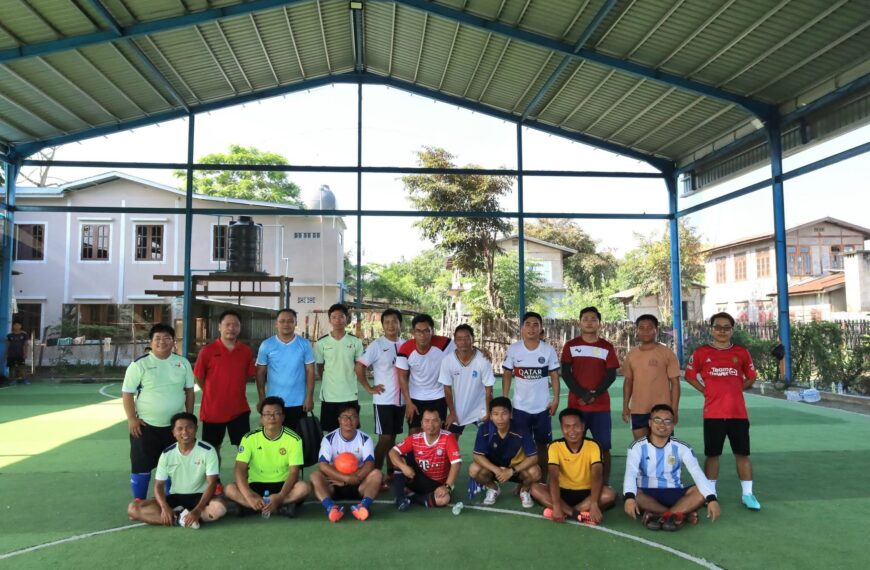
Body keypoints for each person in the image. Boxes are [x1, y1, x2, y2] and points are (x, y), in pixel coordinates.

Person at [685, 312, 761, 511]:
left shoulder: (741, 352)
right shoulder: (701, 353)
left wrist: (737, 389)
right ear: (711, 329)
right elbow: (689, 375)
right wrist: (705, 391)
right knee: (712, 454)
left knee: (742, 454)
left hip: (738, 414)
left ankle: (748, 494)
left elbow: (752, 376)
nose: (722, 331)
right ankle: (710, 493)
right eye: (718, 327)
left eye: (726, 328)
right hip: (713, 414)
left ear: (732, 330)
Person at [122, 323, 195, 500]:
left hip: (174, 428)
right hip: (146, 426)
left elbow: (189, 391)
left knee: (173, 464)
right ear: (151, 341)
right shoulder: (139, 364)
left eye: (167, 338)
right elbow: (127, 392)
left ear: (173, 341)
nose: (162, 342)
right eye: (158, 338)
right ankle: (139, 500)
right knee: (141, 465)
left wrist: (188, 418)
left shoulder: (182, 363)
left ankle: (172, 500)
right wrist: (132, 419)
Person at [623, 404, 720, 531]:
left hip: (674, 493)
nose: (662, 425)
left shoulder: (683, 447)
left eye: (667, 421)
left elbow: (697, 473)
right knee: (633, 494)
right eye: (657, 420)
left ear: (673, 425)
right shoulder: (636, 447)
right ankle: (679, 515)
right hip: (647, 492)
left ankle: (659, 515)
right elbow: (630, 473)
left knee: (700, 491)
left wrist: (711, 498)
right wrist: (629, 498)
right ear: (650, 423)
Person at [127, 412, 227, 528]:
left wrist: (198, 509)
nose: (184, 432)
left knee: (219, 508)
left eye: (189, 427)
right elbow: (158, 485)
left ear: (196, 429)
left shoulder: (208, 451)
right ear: (173, 432)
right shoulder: (166, 454)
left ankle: (182, 517)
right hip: (176, 498)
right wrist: (165, 507)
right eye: (179, 428)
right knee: (133, 509)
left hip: (201, 497)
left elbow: (212, 484)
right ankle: (181, 519)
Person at [560, 306, 620, 485]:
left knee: (604, 447)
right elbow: (566, 372)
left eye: (593, 319)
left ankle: (604, 483)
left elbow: (611, 375)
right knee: (573, 445)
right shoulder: (571, 345)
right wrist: (582, 394)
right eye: (585, 318)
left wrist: (595, 394)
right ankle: (573, 481)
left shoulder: (606, 346)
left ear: (599, 324)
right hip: (576, 405)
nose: (589, 322)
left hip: (600, 406)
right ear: (580, 322)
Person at [224, 396, 311, 517]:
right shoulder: (249, 438)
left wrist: (280, 496)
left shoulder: (294, 439)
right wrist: (249, 496)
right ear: (261, 418)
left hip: (283, 485)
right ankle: (275, 507)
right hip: (255, 486)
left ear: (283, 417)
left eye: (276, 413)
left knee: (304, 487)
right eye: (267, 414)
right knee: (229, 489)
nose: (271, 417)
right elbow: (239, 469)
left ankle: (255, 507)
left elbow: (293, 472)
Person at [530, 408, 616, 524]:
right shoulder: (555, 446)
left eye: (576, 426)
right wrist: (556, 504)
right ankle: (577, 514)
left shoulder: (593, 445)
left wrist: (594, 503)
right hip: (562, 492)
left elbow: (597, 475)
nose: (572, 431)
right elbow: (554, 478)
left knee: (609, 494)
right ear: (561, 428)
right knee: (535, 489)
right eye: (567, 426)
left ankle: (563, 512)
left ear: (583, 426)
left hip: (587, 493)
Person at [502, 311, 560, 479]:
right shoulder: (514, 349)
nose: (532, 328)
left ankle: (542, 479)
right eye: (528, 324)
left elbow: (554, 375)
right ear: (521, 328)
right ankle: (524, 481)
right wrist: (506, 400)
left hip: (542, 408)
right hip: (520, 408)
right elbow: (506, 374)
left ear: (541, 329)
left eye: (536, 324)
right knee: (520, 445)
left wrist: (555, 399)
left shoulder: (548, 350)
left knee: (543, 444)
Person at [193, 310, 256, 464]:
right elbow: (199, 377)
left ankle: (245, 482)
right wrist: (212, 392)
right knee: (213, 449)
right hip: (213, 410)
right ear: (219, 327)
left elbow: (248, 375)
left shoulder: (246, 351)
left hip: (239, 409)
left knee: (244, 449)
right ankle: (216, 483)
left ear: (240, 328)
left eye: (235, 325)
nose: (231, 328)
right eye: (227, 324)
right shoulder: (207, 351)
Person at [310, 403, 383, 522]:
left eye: (353, 416)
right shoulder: (328, 439)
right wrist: (345, 478)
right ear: (339, 419)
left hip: (358, 483)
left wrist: (355, 478)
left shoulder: (365, 439)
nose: (349, 420)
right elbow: (323, 465)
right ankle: (331, 508)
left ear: (358, 419)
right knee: (315, 476)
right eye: (345, 417)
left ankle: (363, 507)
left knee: (377, 474)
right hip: (335, 484)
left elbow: (369, 464)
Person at [355, 308, 405, 475]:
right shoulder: (377, 345)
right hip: (384, 400)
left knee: (392, 437)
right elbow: (359, 366)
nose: (391, 325)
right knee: (385, 438)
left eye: (394, 322)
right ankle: (373, 473)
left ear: (400, 324)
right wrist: (368, 387)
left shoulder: (406, 345)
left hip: (402, 400)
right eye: (387, 322)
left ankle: (391, 472)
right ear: (383, 325)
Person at [469, 396, 541, 508]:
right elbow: (477, 456)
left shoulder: (521, 429)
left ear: (511, 414)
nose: (500, 418)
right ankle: (493, 488)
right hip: (494, 469)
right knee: (474, 469)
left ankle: (524, 490)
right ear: (491, 416)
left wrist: (511, 471)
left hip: (516, 469)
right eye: (496, 414)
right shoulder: (484, 429)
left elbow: (533, 457)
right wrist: (496, 469)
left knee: (535, 472)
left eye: (504, 413)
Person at [389, 407, 461, 510]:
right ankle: (400, 499)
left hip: (437, 483)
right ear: (422, 424)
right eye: (426, 421)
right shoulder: (415, 438)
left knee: (444, 499)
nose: (430, 425)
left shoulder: (448, 438)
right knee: (399, 458)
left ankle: (411, 496)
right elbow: (392, 452)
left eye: (435, 421)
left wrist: (447, 486)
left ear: (441, 423)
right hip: (417, 476)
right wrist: (403, 467)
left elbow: (456, 464)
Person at [622, 314, 681, 440]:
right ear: (636, 331)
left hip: (662, 410)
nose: (645, 331)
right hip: (637, 409)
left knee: (664, 449)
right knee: (641, 448)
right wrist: (625, 406)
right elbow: (628, 381)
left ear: (656, 330)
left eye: (649, 327)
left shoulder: (667, 353)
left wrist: (674, 409)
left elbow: (675, 383)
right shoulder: (631, 354)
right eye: (641, 328)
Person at [256, 308, 315, 431]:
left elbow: (310, 371)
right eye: (282, 321)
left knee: (298, 439)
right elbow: (260, 373)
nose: (286, 324)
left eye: (290, 321)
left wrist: (309, 397)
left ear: (295, 323)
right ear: (276, 324)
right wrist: (262, 398)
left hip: (299, 402)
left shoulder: (304, 344)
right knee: (274, 437)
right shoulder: (266, 344)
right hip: (274, 402)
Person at [396, 314, 454, 435]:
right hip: (415, 398)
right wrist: (408, 402)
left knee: (438, 432)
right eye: (418, 331)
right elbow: (402, 376)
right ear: (413, 332)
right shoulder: (405, 348)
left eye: (426, 331)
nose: (422, 335)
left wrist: (480, 352)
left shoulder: (445, 344)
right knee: (414, 433)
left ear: (432, 331)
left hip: (439, 396)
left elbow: (464, 348)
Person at [439, 324, 495, 437]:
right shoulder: (447, 361)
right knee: (448, 441)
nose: (463, 342)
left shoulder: (483, 360)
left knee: (490, 439)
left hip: (480, 410)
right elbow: (447, 389)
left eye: (467, 338)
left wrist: (489, 413)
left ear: (473, 339)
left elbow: (489, 390)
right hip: (459, 411)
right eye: (459, 339)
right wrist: (452, 413)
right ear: (455, 341)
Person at [315, 303, 364, 433]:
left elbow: (359, 366)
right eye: (334, 317)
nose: (338, 320)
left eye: (341, 317)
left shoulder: (356, 342)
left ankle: (349, 454)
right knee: (330, 432)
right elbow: (320, 367)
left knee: (350, 430)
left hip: (349, 395)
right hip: (329, 396)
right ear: (330, 320)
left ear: (346, 319)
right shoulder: (321, 342)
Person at [5, 320, 30, 385]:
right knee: (12, 367)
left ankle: (24, 380)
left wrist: (26, 353)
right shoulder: (9, 335)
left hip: (21, 353)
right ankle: (12, 380)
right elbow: (7, 345)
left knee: (22, 367)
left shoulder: (24, 334)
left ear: (21, 326)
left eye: (18, 325)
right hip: (11, 354)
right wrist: (6, 354)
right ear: (13, 326)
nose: (17, 326)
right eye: (15, 325)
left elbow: (26, 344)